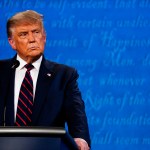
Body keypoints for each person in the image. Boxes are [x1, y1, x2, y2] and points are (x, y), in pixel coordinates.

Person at [0, 10, 90, 149]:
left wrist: (80, 139)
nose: (32, 39)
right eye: (24, 34)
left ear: (44, 37)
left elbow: (76, 114)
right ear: (12, 43)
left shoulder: (64, 75)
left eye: (36, 32)